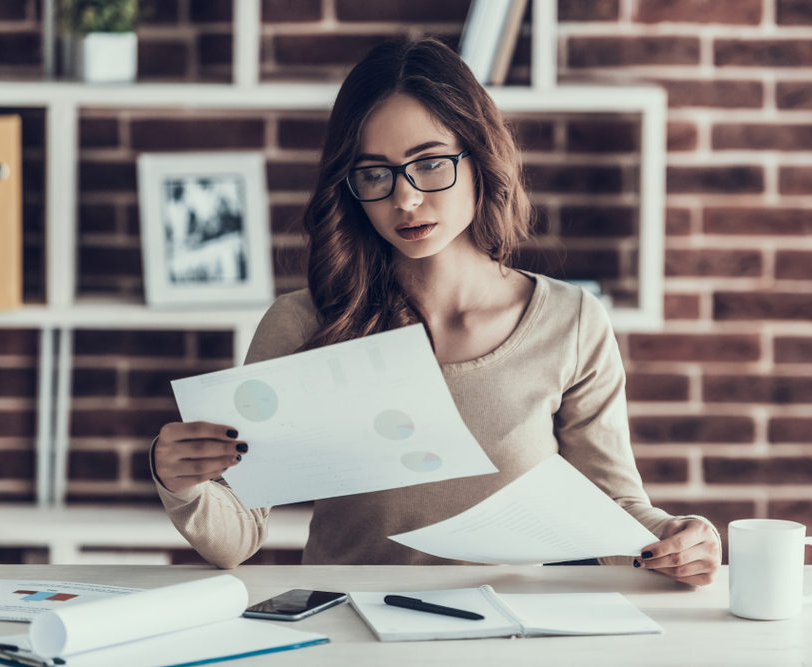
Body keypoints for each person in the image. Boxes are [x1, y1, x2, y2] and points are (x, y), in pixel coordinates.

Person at [151, 36, 721, 585]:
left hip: (510, 637)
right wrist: (183, 486)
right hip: (348, 629)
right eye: (374, 173)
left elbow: (615, 513)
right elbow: (240, 534)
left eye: (429, 163)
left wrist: (676, 540)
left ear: (480, 157)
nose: (404, 198)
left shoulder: (570, 323)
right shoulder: (304, 324)